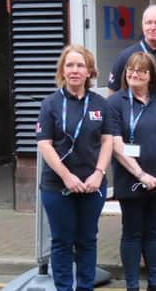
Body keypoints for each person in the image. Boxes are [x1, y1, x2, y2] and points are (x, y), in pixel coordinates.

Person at [107, 4, 156, 262]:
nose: (153, 27)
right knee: (135, 200)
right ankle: (138, 249)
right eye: (148, 22)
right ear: (142, 26)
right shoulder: (127, 56)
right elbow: (113, 98)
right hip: (132, 141)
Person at [36, 45, 113, 291]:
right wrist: (67, 176)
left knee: (88, 241)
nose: (75, 70)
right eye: (69, 65)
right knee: (61, 241)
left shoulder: (101, 103)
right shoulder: (50, 103)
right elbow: (44, 144)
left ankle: (85, 287)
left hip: (93, 184)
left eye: (80, 65)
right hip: (58, 186)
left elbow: (108, 140)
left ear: (89, 70)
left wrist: (99, 173)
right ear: (62, 70)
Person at [109, 52, 156, 291]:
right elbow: (116, 144)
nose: (134, 73)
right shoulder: (115, 103)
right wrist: (141, 175)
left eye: (141, 70)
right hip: (131, 179)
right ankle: (132, 286)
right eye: (131, 69)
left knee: (154, 234)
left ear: (151, 75)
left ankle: (155, 284)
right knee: (132, 233)